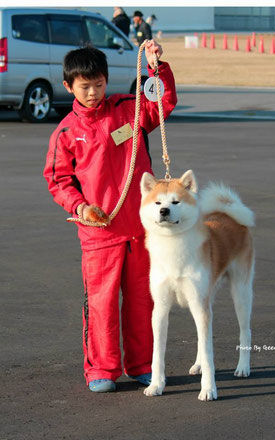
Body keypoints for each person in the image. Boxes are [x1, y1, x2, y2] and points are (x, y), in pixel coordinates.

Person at [43, 42, 177, 393]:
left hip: (142, 231)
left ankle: (145, 364)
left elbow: (162, 104)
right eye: (84, 86)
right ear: (69, 85)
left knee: (143, 301)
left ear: (107, 80)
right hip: (99, 234)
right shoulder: (66, 132)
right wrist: (80, 208)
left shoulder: (129, 110)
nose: (93, 92)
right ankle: (102, 368)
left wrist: (156, 67)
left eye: (98, 84)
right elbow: (58, 180)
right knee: (101, 307)